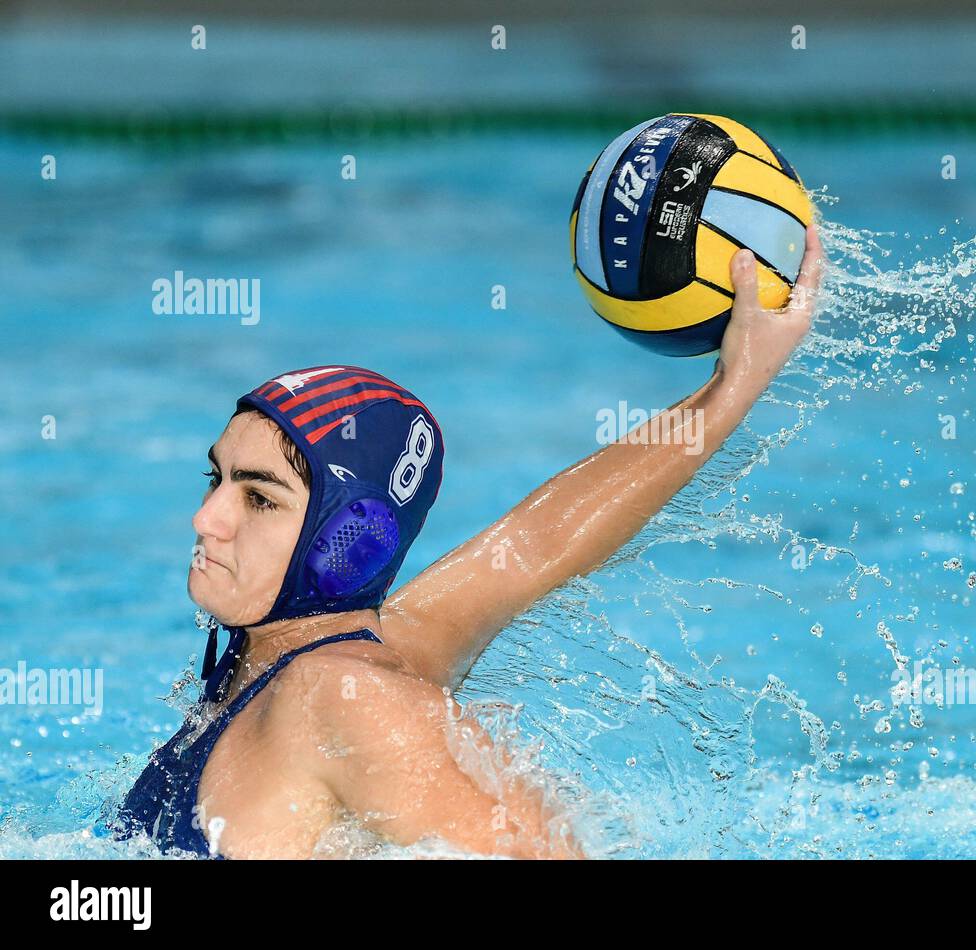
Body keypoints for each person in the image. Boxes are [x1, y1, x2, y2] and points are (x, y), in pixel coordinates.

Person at [114, 226, 824, 858]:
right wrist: (734, 386)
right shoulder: (330, 656)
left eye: (258, 497)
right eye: (217, 478)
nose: (207, 518)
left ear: (349, 539)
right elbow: (533, 544)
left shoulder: (343, 700)